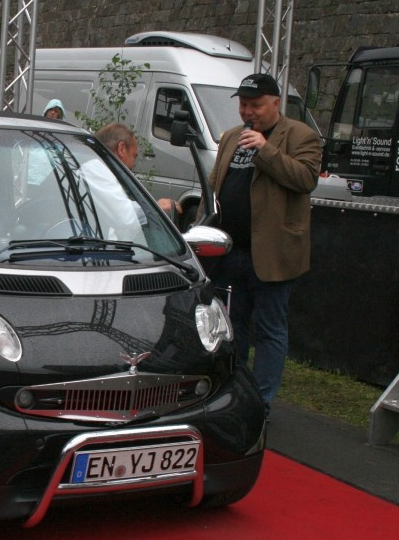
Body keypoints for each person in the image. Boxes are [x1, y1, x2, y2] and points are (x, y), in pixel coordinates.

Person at [202, 72, 321, 416]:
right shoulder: (230, 137)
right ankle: (234, 395)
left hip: (271, 255)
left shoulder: (300, 135)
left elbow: (305, 179)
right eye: (243, 105)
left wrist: (265, 149)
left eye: (255, 105)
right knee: (231, 327)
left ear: (275, 103)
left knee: (269, 330)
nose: (247, 112)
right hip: (230, 253)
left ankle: (262, 403)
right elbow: (215, 185)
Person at [95, 122, 180, 218]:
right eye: (134, 156)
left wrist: (155, 207)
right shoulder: (101, 175)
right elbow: (123, 215)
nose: (133, 165)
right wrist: (156, 209)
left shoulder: (97, 170)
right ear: (121, 149)